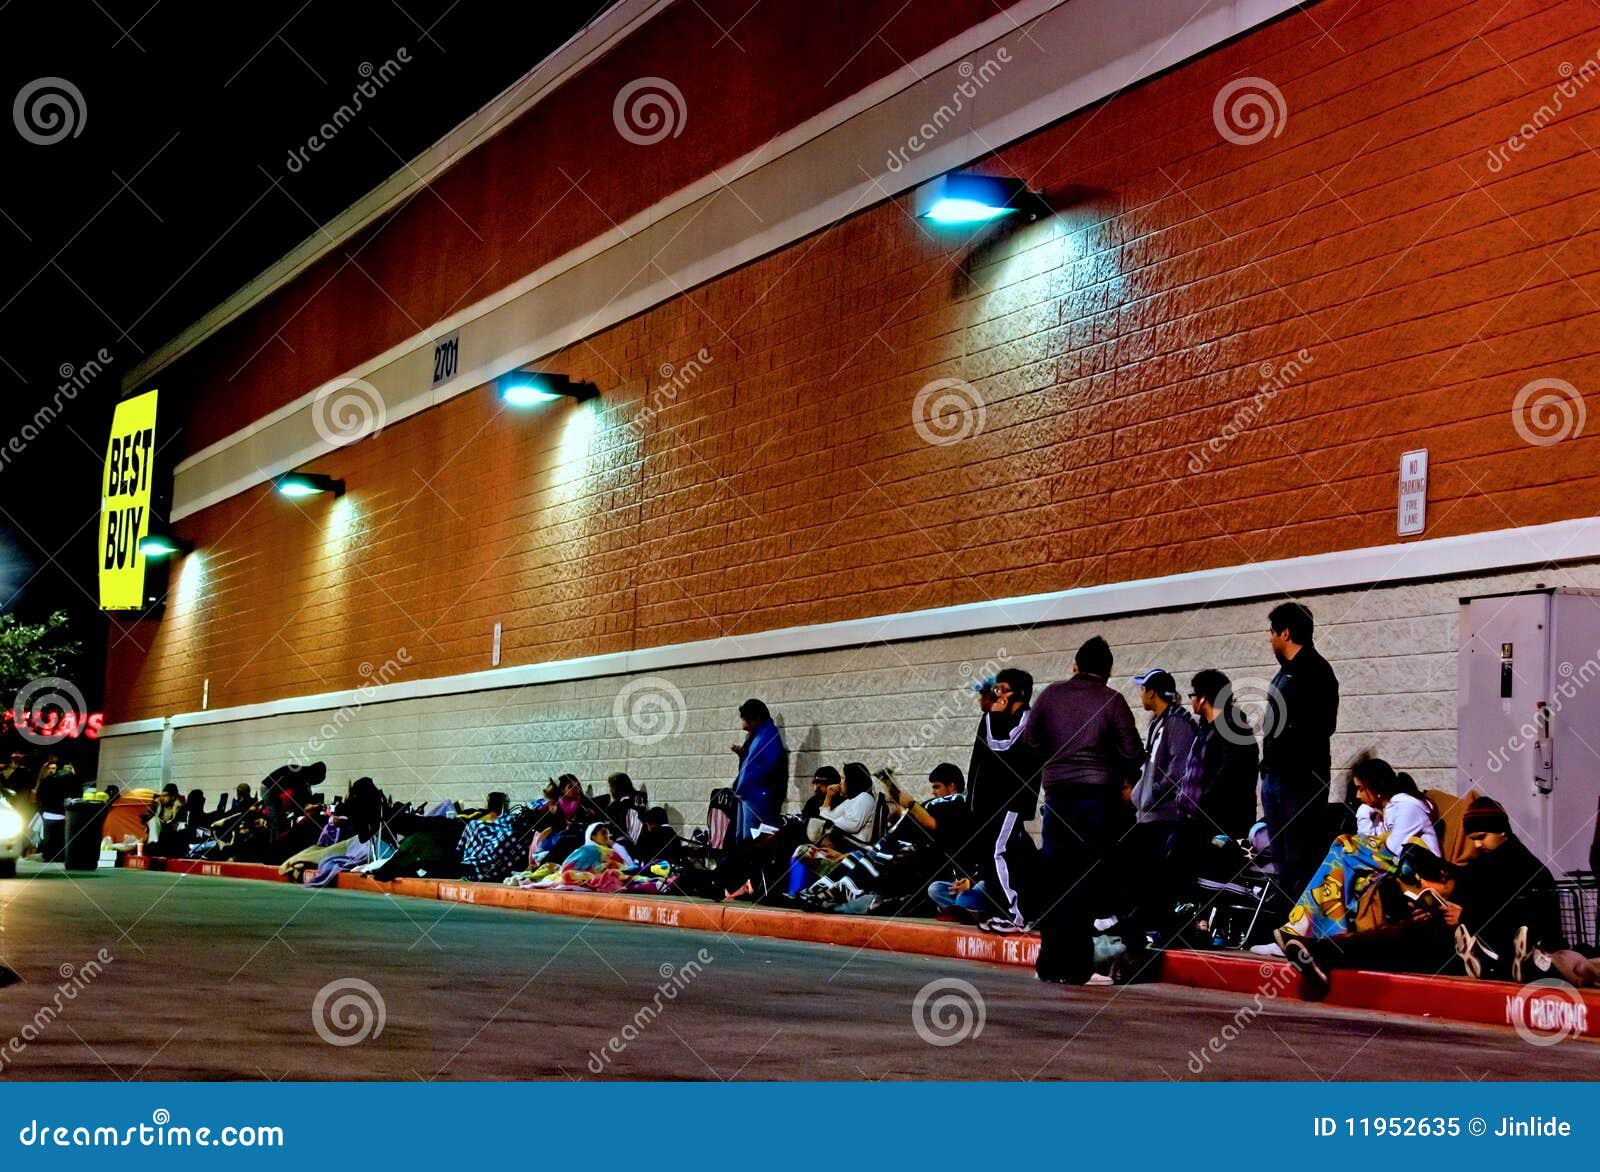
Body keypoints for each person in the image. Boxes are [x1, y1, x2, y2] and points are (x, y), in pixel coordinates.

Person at [1022, 635, 1145, 983]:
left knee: (1056, 878)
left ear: (1075, 666)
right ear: (1107, 672)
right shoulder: (1113, 701)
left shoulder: (1049, 696)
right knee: (1086, 879)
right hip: (1098, 801)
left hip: (1058, 799)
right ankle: (1077, 965)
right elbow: (1133, 752)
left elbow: (1030, 745)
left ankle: (1049, 962)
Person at [1273, 756, 1438, 945]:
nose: (1358, 796)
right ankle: (1311, 932)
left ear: (1375, 788)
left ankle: (1308, 929)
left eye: (1360, 789)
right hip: (1393, 867)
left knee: (1342, 847)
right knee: (1343, 870)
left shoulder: (1407, 806)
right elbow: (1368, 845)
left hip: (1419, 870)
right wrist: (1364, 817)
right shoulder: (1380, 812)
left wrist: (1351, 842)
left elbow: (1393, 850)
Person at [1281, 844, 1462, 1000]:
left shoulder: (1467, 888)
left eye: (1425, 887)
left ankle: (1319, 951)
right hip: (1426, 943)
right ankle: (1320, 952)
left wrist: (1462, 918)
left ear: (1443, 875)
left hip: (1447, 954)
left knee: (1395, 940)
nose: (1423, 890)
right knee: (1391, 938)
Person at [795, 763, 970, 913]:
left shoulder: (955, 800)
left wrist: (909, 803)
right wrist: (895, 794)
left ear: (952, 785)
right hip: (891, 845)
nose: (933, 792)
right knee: (856, 858)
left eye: (936, 786)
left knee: (876, 857)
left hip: (909, 854)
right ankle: (819, 890)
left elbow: (932, 824)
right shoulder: (942, 803)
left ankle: (838, 892)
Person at [1260, 601, 1340, 898]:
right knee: (1281, 858)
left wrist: (1287, 757)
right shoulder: (1285, 673)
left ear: (1286, 633)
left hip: (1298, 781)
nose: (1269, 639)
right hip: (1276, 777)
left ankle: (1300, 929)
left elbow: (1320, 727)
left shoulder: (1316, 672)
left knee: (1299, 856)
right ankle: (1285, 925)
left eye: (1272, 632)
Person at [1121, 668, 1202, 953]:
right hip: (1150, 813)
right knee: (1141, 873)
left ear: (1152, 691)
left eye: (1142, 689)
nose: (1140, 694)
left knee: (1155, 876)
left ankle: (1155, 926)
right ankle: (1142, 924)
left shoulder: (1178, 724)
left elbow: (1177, 772)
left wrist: (1149, 794)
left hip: (1165, 815)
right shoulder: (1160, 722)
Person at [965, 667, 1040, 935]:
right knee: (992, 854)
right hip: (988, 801)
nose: (997, 695)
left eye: (1002, 689)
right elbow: (979, 762)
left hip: (1011, 800)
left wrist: (995, 716)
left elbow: (1003, 745)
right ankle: (1002, 908)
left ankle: (1015, 913)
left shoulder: (1027, 719)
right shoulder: (993, 718)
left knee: (999, 851)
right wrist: (971, 801)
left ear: (1017, 692)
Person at [1452, 797, 1562, 981]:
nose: (1477, 845)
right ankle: (1515, 960)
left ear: (1501, 831)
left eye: (1481, 837)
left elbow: (1497, 907)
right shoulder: (1508, 856)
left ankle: (1492, 958)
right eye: (1473, 839)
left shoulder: (1508, 862)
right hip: (1527, 933)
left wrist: (1463, 916)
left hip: (1526, 931)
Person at [1187, 669, 1260, 840]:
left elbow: (1227, 778)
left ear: (1203, 698)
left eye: (1193, 695)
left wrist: (1202, 804)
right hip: (1205, 821)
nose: (1192, 700)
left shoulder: (1233, 730)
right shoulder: (1207, 729)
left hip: (1224, 825)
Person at [731, 699, 787, 844]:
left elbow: (767, 767)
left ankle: (752, 866)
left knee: (751, 839)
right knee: (743, 837)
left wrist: (749, 784)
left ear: (756, 719)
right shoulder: (758, 736)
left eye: (747, 721)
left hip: (757, 795)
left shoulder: (767, 736)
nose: (744, 726)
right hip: (750, 793)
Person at [598, 772, 645, 844]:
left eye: (611, 787)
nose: (610, 790)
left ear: (616, 788)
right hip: (641, 840)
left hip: (625, 843)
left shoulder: (617, 804)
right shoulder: (640, 797)